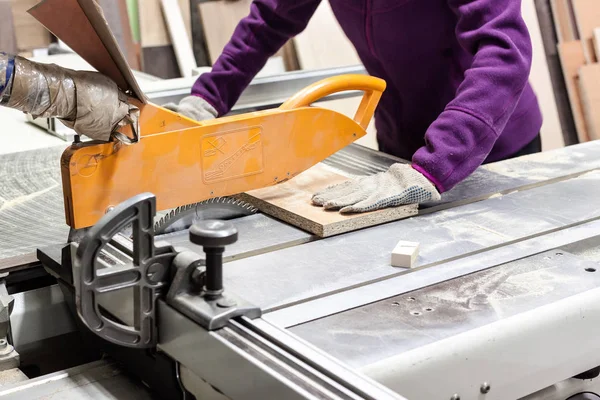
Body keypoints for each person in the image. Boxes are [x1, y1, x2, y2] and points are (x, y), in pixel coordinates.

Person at [166, 0, 543, 213]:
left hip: (488, 144)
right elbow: (269, 20)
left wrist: (436, 164)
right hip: (401, 147)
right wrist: (206, 98)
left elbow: (504, 52)